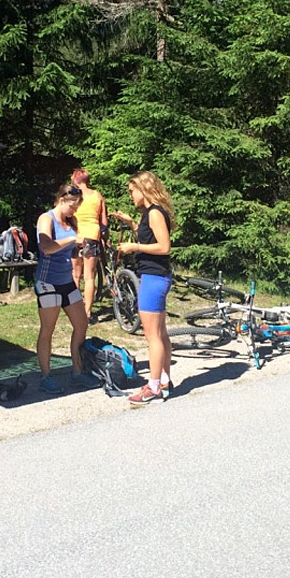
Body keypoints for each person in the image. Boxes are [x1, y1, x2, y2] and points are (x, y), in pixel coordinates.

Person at [109, 171, 175, 405]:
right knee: (161, 333)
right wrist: (131, 224)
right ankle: (164, 380)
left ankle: (153, 386)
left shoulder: (155, 212)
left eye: (132, 191)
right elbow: (149, 238)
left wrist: (133, 246)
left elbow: (164, 247)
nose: (131, 196)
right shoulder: (150, 213)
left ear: (143, 189)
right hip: (156, 276)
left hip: (154, 278)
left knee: (152, 336)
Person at [34, 184, 101, 393]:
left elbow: (69, 252)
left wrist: (80, 251)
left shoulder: (71, 221)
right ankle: (46, 376)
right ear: (61, 200)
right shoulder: (46, 219)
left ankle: (78, 372)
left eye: (77, 206)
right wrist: (72, 239)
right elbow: (46, 247)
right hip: (48, 282)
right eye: (72, 206)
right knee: (48, 330)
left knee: (81, 324)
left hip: (67, 281)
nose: (74, 210)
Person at [70, 167, 108, 324]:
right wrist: (105, 237)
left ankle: (74, 310)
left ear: (75, 180)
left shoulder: (74, 196)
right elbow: (104, 222)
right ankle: (87, 313)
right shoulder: (98, 196)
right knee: (90, 277)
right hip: (92, 237)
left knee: (75, 275)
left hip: (76, 237)